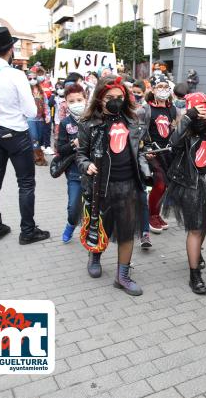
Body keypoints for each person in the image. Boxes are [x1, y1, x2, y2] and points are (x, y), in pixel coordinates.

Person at [0, 27, 50, 244]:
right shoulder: (15, 75)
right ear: (11, 49)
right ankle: (28, 231)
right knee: (25, 183)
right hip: (15, 133)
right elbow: (32, 112)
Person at [76, 76, 149, 296]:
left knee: (127, 231)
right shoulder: (88, 124)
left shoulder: (133, 120)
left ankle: (122, 276)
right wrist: (86, 165)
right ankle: (95, 255)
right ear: (99, 98)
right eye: (110, 97)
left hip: (129, 184)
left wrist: (145, 167)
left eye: (119, 97)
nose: (115, 101)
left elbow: (139, 150)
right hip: (101, 186)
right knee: (100, 226)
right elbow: (80, 154)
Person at [163, 92, 206, 294]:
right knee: (196, 229)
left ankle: (197, 253)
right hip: (191, 185)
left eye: (204, 110)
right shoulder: (185, 131)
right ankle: (194, 275)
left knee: (205, 226)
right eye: (197, 110)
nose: (202, 115)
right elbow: (173, 143)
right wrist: (188, 117)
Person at [146, 75, 177, 233]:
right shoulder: (146, 109)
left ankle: (156, 214)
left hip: (168, 152)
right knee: (159, 184)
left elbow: (174, 128)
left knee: (164, 186)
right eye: (159, 86)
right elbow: (141, 131)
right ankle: (150, 216)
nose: (163, 90)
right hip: (153, 152)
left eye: (166, 86)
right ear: (153, 89)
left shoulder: (172, 108)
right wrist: (145, 148)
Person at [57, 84, 87, 243]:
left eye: (79, 100)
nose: (76, 103)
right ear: (66, 103)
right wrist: (73, 143)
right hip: (74, 173)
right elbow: (60, 149)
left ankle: (90, 231)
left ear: (86, 99)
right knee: (74, 206)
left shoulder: (95, 119)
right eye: (72, 101)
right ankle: (71, 224)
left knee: (95, 207)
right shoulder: (65, 123)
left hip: (94, 171)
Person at [130, 80, 153, 250]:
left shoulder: (146, 110)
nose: (135, 95)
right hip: (123, 161)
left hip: (139, 158)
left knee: (142, 197)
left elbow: (147, 135)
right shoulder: (124, 109)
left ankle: (145, 233)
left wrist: (148, 148)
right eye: (133, 92)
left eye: (138, 92)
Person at [26, 71, 50, 166]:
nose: (32, 80)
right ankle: (38, 158)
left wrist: (47, 115)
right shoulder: (26, 91)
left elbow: (46, 103)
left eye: (34, 78)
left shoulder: (41, 91)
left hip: (40, 118)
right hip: (30, 118)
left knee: (39, 138)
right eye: (30, 78)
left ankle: (36, 156)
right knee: (34, 137)